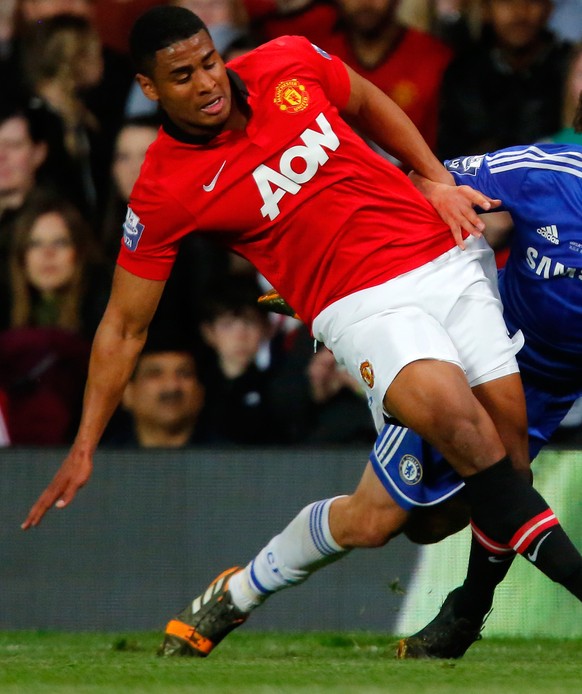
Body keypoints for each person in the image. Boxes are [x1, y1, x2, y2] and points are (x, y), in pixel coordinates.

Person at [20, 7, 582, 660]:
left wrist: (431, 175)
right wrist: (86, 441)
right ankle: (244, 592)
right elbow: (122, 325)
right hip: (362, 306)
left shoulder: (285, 59)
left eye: (208, 61)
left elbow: (367, 99)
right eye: (183, 75)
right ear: (149, 87)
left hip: (444, 260)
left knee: (446, 504)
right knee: (468, 437)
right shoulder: (165, 189)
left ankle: (449, 613)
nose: (207, 82)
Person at [437, 0, 572, 159]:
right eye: (506, 2)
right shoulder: (462, 72)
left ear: (549, 9)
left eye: (533, 2)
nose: (520, 12)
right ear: (485, 10)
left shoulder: (571, 68)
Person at [197, 275, 280, 445]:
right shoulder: (195, 387)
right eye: (227, 325)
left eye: (249, 323)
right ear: (208, 332)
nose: (240, 335)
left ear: (266, 328)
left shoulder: (280, 388)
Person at [104, 343, 207, 448]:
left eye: (184, 373)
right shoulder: (99, 460)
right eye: (155, 374)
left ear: (200, 393)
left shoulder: (223, 457)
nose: (171, 386)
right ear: (127, 394)